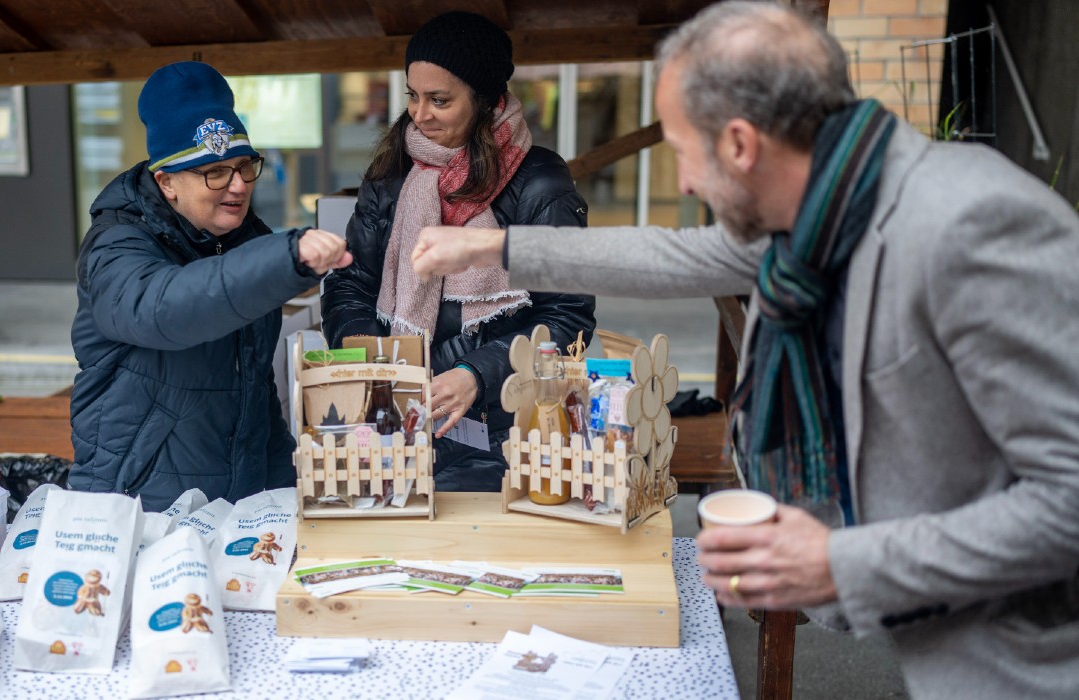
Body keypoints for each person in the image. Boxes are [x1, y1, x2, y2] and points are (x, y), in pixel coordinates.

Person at [409, 2, 1079, 697]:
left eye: (680, 151)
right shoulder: (823, 208)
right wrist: (498, 244)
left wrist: (842, 563)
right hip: (946, 657)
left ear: (738, 144)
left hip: (1030, 668)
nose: (688, 183)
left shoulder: (969, 225)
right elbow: (674, 255)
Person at [321, 11, 596, 491]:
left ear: (485, 102)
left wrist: (477, 372)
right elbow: (350, 280)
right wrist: (370, 353)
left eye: (439, 100)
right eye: (412, 95)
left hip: (503, 427)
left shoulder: (540, 186)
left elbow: (568, 316)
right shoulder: (392, 175)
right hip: (394, 421)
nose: (419, 114)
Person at [69, 61, 352, 510]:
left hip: (233, 510)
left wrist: (283, 495)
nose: (238, 185)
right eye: (214, 172)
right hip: (135, 510)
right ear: (167, 183)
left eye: (244, 166)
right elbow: (164, 309)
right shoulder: (116, 244)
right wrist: (284, 257)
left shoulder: (244, 241)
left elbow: (257, 395)